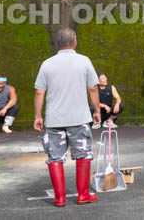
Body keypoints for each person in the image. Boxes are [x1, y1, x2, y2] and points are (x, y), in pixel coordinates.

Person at [34, 27, 102, 207]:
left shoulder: (47, 64)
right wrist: (97, 111)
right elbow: (93, 88)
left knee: (55, 157)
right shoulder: (84, 61)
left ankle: (60, 198)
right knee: (83, 155)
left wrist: (37, 116)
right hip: (79, 118)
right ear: (75, 42)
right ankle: (83, 194)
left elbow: (40, 92)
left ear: (58, 44)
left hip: (54, 119)